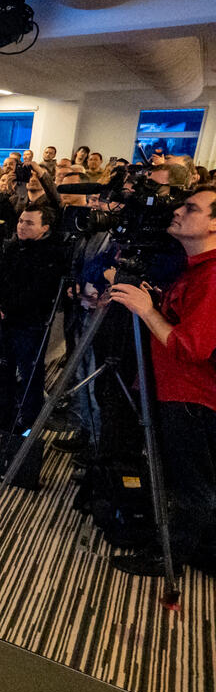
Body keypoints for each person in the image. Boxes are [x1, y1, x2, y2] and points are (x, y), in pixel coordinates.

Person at [109, 188, 216, 577]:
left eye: (191, 208)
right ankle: (198, 549)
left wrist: (146, 311)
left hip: (192, 397)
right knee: (188, 480)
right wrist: (153, 301)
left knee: (192, 486)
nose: (178, 212)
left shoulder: (212, 276)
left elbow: (190, 348)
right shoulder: (197, 268)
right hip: (179, 391)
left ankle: (170, 559)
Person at [0, 203, 68, 452]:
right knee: (2, 370)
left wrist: (7, 307)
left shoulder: (52, 254)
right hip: (5, 321)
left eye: (29, 223)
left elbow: (39, 292)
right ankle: (0, 415)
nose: (21, 226)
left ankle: (28, 424)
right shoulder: (13, 247)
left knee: (30, 376)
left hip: (31, 324)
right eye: (20, 221)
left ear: (45, 228)